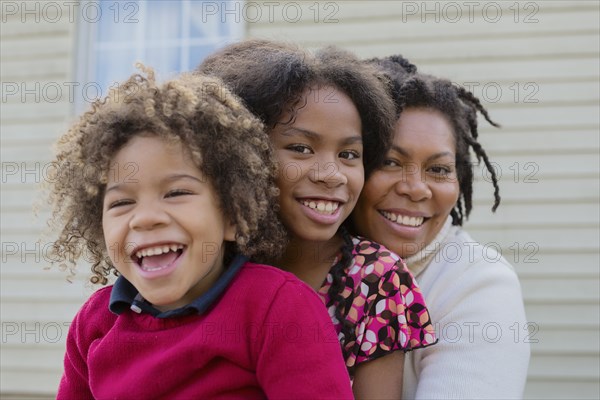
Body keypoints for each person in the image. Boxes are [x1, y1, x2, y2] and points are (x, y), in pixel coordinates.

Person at [45, 65, 354, 399]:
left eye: (176, 193)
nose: (145, 219)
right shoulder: (93, 325)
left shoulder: (277, 307)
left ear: (233, 216)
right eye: (121, 203)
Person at [198, 39, 436, 399]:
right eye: (301, 148)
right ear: (240, 154)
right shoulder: (204, 263)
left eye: (349, 154)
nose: (332, 174)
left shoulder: (374, 279)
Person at [351, 55, 531, 399]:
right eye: (390, 161)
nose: (416, 188)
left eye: (439, 170)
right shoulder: (310, 263)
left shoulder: (478, 283)